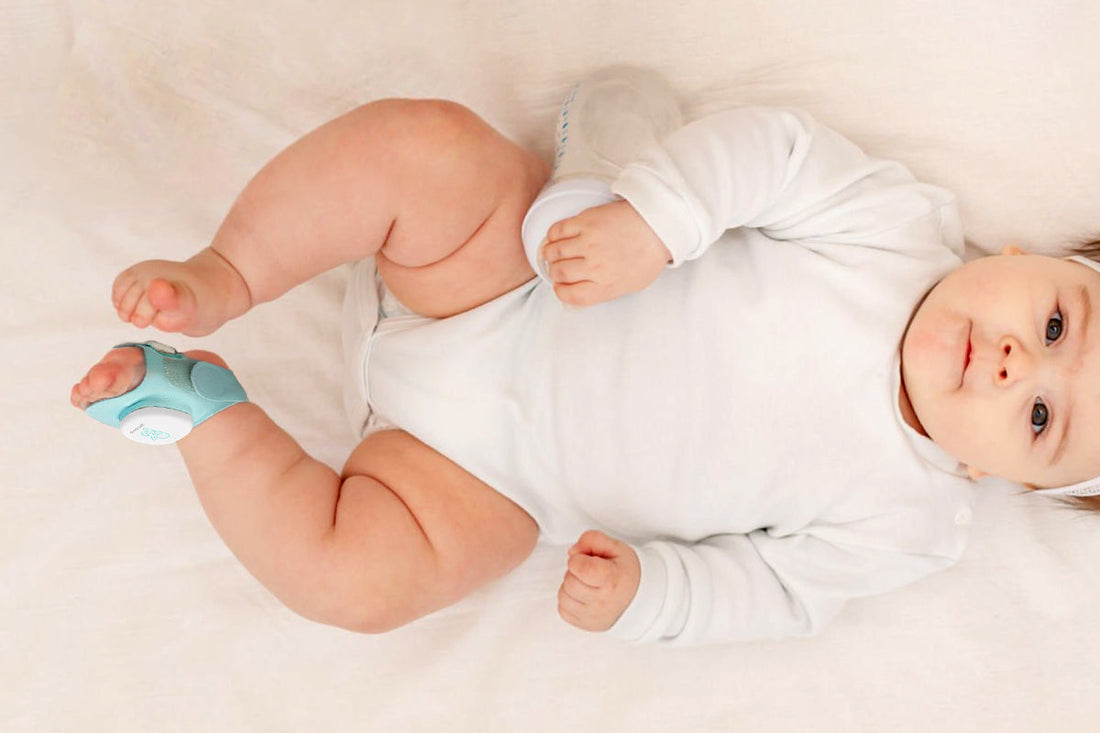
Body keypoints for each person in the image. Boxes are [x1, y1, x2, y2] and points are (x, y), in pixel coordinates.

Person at [70, 68, 1100, 645]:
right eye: (1056, 324)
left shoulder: (908, 518)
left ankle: (203, 415)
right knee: (423, 147)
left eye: (1040, 420)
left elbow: (776, 591)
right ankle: (228, 272)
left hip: (488, 478)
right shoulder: (894, 227)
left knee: (359, 585)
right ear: (1026, 256)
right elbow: (768, 155)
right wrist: (655, 221)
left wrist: (652, 595)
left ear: (991, 474)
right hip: (501, 274)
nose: (1016, 362)